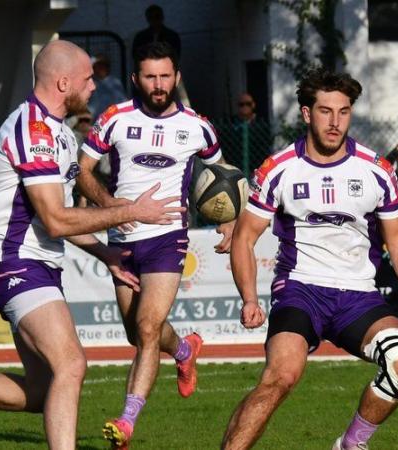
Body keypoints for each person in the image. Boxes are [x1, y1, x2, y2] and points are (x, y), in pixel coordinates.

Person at [0, 40, 184, 450]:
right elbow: (55, 218)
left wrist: (103, 252)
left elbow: (59, 220)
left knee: (42, 390)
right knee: (71, 365)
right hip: (14, 262)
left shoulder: (61, 136)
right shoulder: (29, 128)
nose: (93, 87)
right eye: (88, 79)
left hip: (37, 264)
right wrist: (129, 212)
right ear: (63, 81)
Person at [220, 66, 398, 450]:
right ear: (306, 113)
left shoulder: (377, 171)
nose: (335, 122)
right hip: (301, 290)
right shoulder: (278, 168)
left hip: (358, 295)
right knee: (281, 375)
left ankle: (351, 444)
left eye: (344, 111)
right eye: (325, 111)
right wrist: (249, 298)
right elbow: (244, 238)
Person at [77, 41, 235, 449]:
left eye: (165, 76)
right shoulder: (114, 118)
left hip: (168, 238)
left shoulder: (199, 127)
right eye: (150, 76)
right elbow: (84, 170)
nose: (158, 84)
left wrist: (230, 221)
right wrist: (111, 206)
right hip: (122, 238)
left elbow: (225, 177)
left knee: (148, 327)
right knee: (137, 334)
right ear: (136, 79)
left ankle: (127, 421)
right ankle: (183, 349)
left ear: (177, 78)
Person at [220, 92, 272, 174]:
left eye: (248, 104)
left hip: (257, 168)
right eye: (241, 104)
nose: (245, 107)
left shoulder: (261, 124)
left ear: (253, 105)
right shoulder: (231, 123)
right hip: (235, 167)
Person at [88, 54, 128, 120]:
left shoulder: (115, 83)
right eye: (96, 66)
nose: (98, 69)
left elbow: (122, 102)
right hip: (95, 121)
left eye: (101, 66)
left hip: (112, 119)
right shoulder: (92, 83)